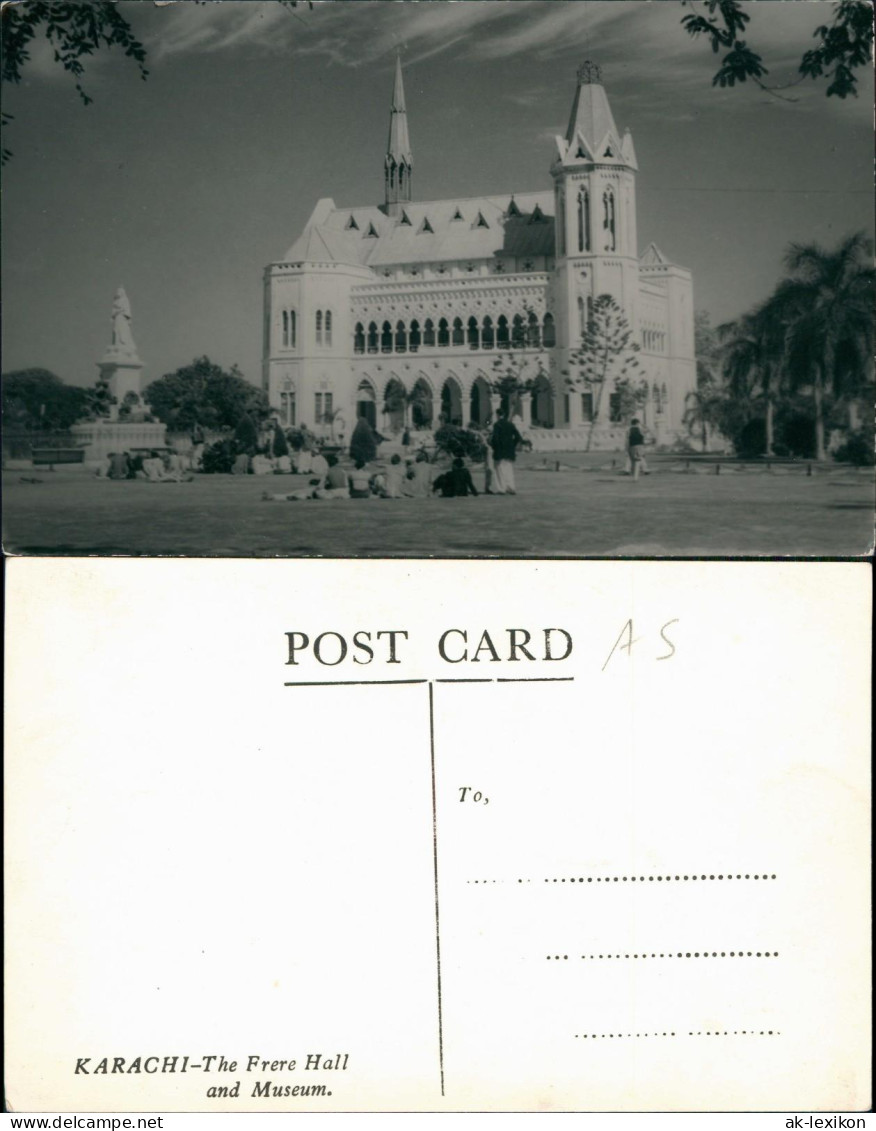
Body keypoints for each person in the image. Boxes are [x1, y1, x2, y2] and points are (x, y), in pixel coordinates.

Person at [489, 409, 523, 495]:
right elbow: (518, 437)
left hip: (500, 450)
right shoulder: (510, 424)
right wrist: (512, 445)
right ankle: (511, 487)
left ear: (497, 415)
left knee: (499, 470)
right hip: (509, 450)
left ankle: (502, 488)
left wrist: (493, 446)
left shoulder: (497, 425)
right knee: (509, 470)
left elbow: (495, 438)